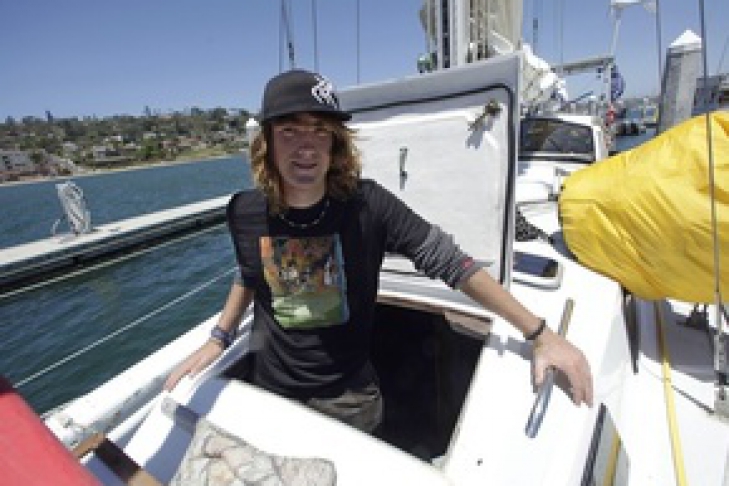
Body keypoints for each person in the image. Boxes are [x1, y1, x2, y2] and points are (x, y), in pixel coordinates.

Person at [164, 69, 593, 433]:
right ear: (267, 142)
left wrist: (541, 334)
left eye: (320, 131)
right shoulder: (244, 211)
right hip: (270, 387)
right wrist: (219, 338)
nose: (306, 147)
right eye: (290, 130)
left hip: (347, 397)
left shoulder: (369, 205)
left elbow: (453, 264)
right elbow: (248, 271)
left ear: (335, 144)